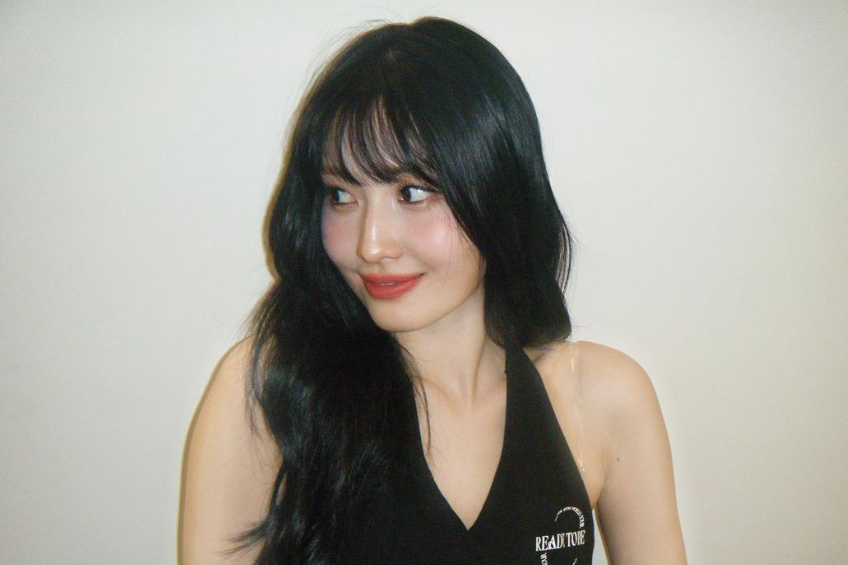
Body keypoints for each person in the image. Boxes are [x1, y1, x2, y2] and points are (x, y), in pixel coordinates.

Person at [180, 16, 687, 565]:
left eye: (412, 192)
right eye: (342, 195)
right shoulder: (270, 393)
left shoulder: (601, 398)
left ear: (497, 191)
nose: (371, 244)